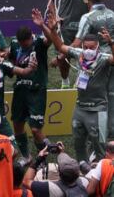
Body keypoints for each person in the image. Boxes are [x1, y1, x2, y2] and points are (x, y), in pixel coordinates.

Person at [38, 12, 114, 161]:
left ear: (98, 47)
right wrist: (52, 30)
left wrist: (111, 43)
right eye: (86, 47)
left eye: (92, 48)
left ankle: (102, 172)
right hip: (80, 108)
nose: (88, 50)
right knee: (78, 144)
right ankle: (82, 168)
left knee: (100, 147)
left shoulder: (103, 59)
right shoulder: (79, 53)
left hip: (98, 110)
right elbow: (60, 47)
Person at [49, 0, 100, 88]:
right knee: (64, 57)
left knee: (86, 56)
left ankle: (80, 84)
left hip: (86, 25)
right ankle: (65, 81)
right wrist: (55, 16)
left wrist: (95, 17)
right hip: (66, 25)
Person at [72, 0, 114, 138]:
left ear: (88, 1)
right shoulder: (113, 14)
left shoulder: (88, 17)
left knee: (98, 98)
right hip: (112, 58)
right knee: (111, 95)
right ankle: (111, 132)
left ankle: (100, 134)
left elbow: (78, 42)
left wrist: (61, 55)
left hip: (99, 63)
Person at [11, 15, 51, 159]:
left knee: (35, 130)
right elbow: (12, 62)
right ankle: (26, 157)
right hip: (20, 90)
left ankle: (43, 158)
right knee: (17, 124)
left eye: (26, 43)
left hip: (37, 91)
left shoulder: (39, 42)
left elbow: (50, 39)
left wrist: (42, 25)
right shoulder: (14, 44)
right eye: (21, 43)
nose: (23, 46)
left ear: (31, 38)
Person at [23, 143, 88, 197]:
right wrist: (62, 152)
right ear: (78, 173)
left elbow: (25, 181)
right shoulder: (85, 182)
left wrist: (38, 160)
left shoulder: (51, 188)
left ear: (59, 173)